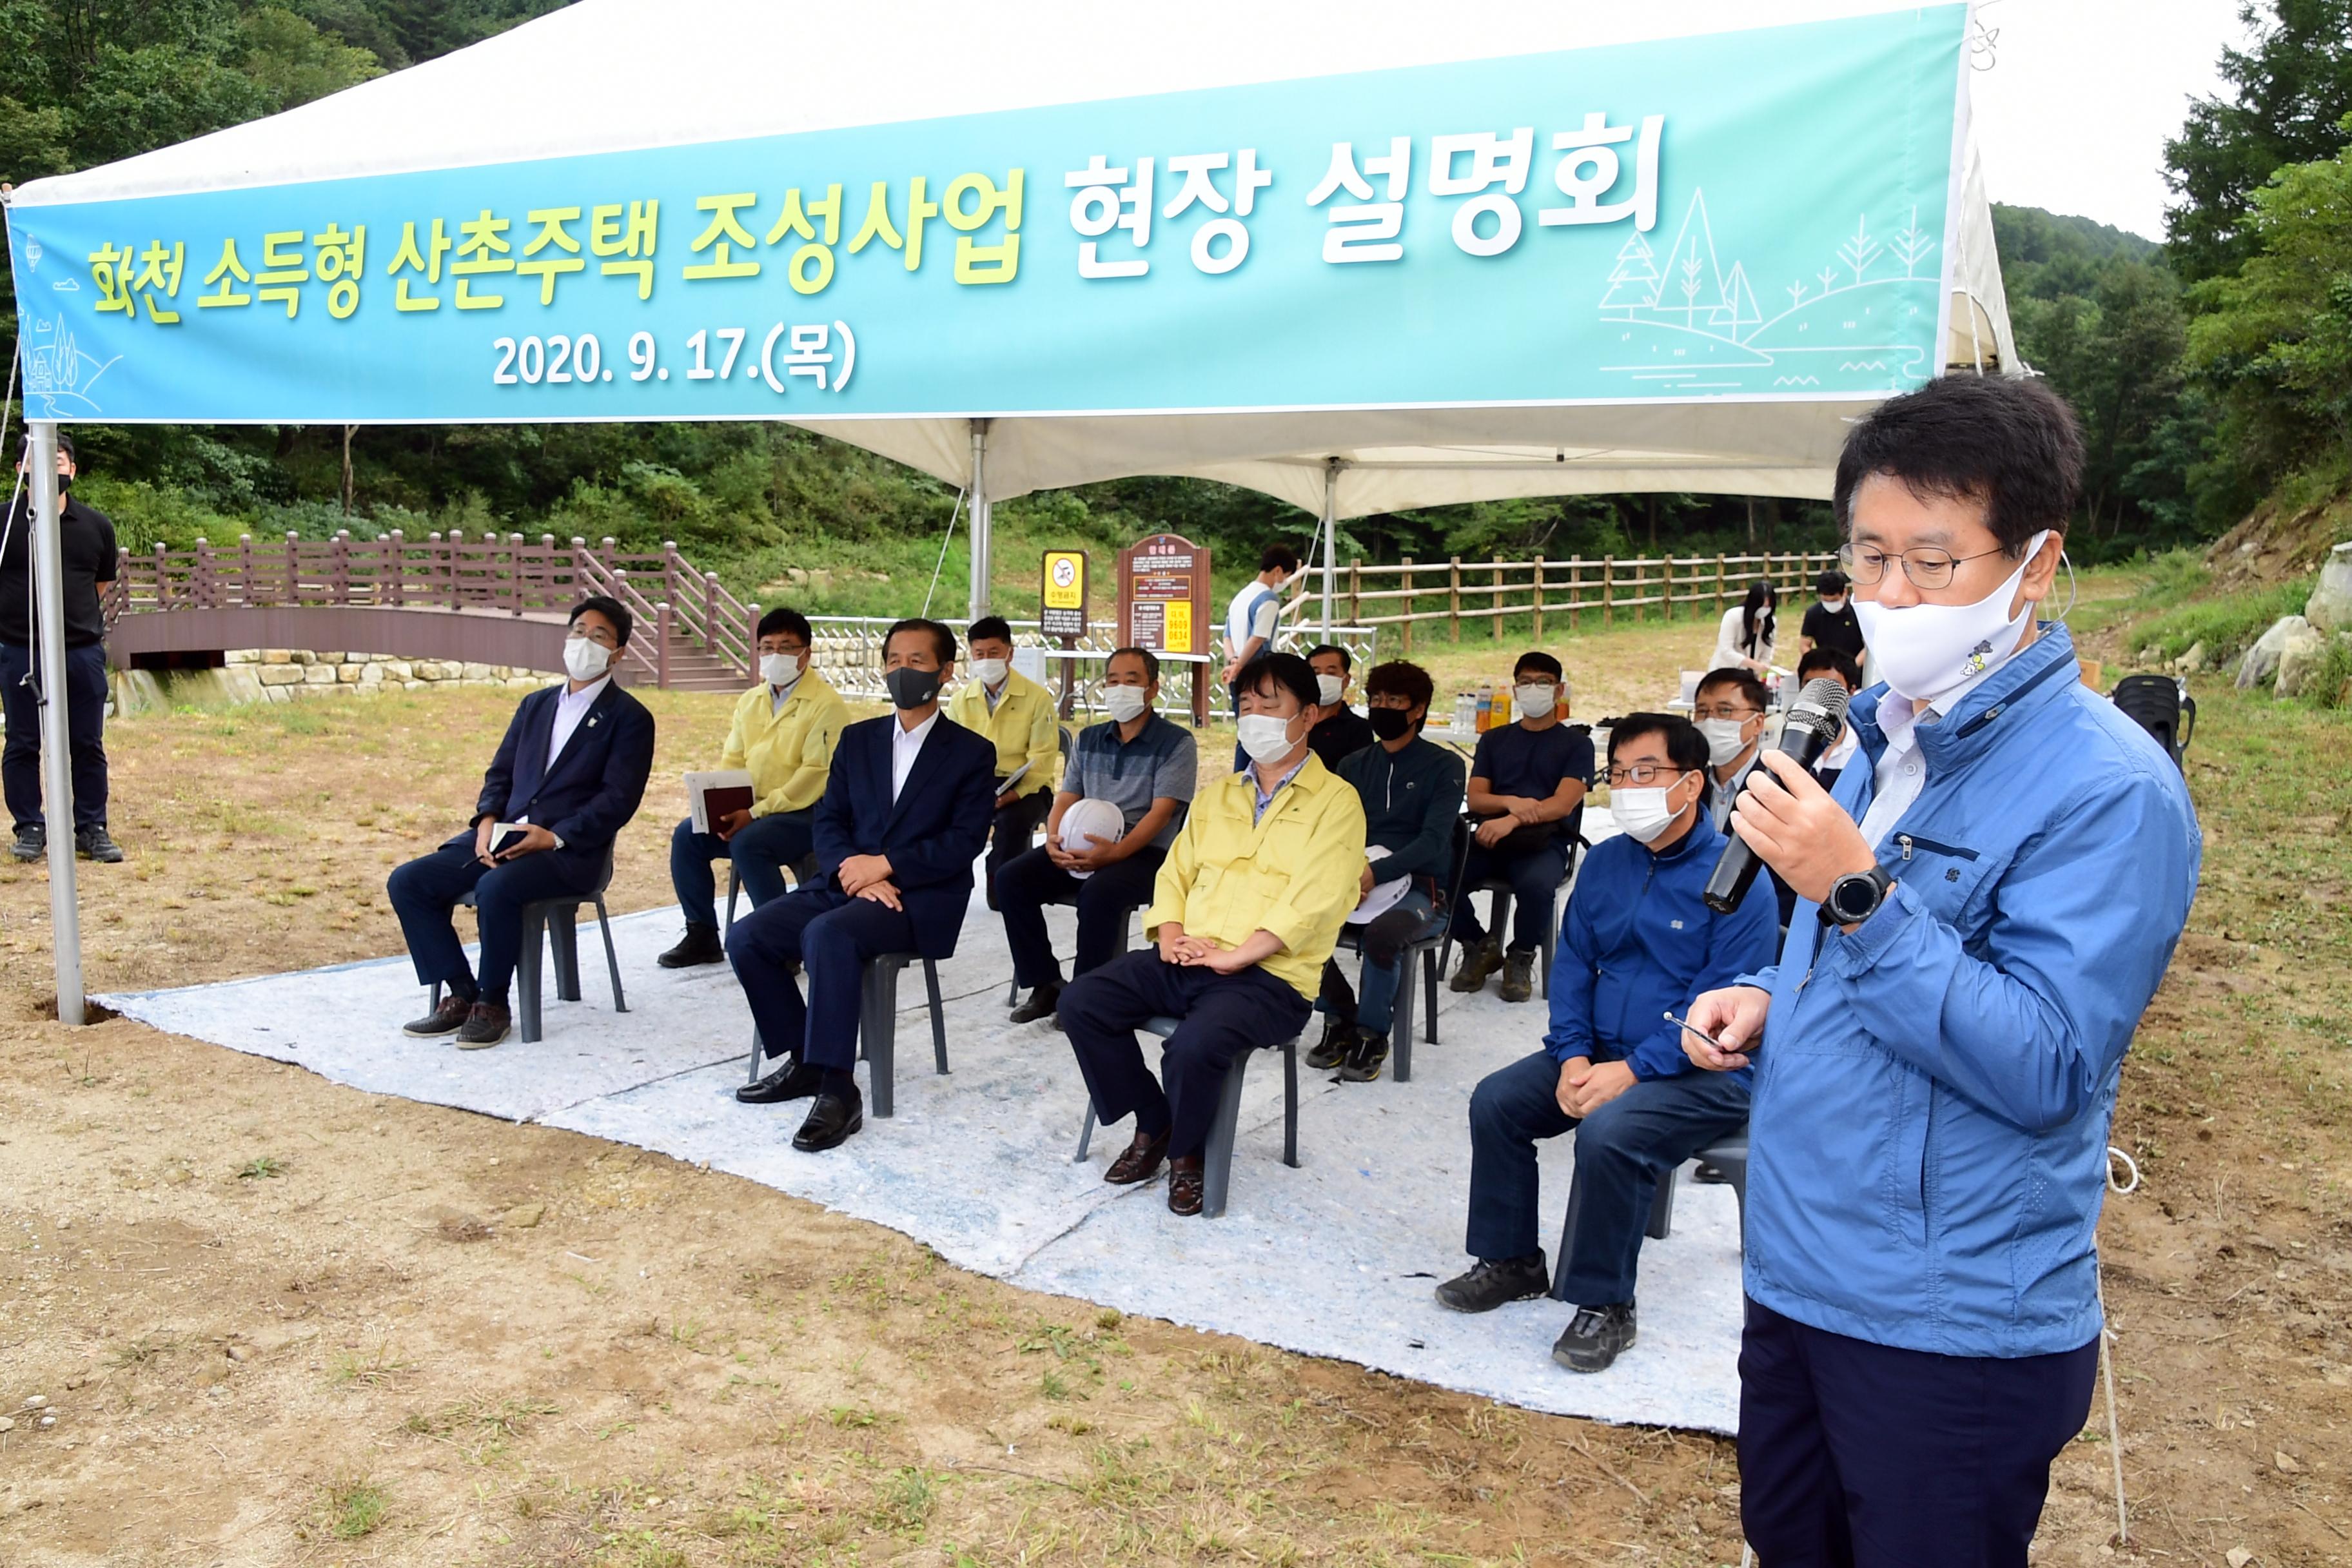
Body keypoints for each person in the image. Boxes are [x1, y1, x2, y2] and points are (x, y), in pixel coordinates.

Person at [1676, 374, 2199, 1565]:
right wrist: (1771, 995)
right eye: (1867, 560)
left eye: (1932, 560)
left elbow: (2045, 1063)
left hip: (1947, 1319)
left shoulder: (2107, 790)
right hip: (1801, 1271)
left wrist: (1853, 893)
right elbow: (1860, 960)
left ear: (2035, 563)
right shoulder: (1875, 739)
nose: (1890, 596)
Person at [1436, 713, 1776, 1373]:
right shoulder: (1608, 862)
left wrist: (1633, 1070)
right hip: (1601, 1050)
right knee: (1497, 1101)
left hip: (1706, 1068)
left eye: (1644, 772)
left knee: (1609, 1133)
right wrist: (1573, 1055)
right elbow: (1572, 967)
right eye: (1617, 774)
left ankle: (1606, 1303)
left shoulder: (1739, 878)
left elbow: (1722, 1002)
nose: (1627, 788)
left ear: (1691, 784)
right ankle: (1512, 1260)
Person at [1059, 652, 1365, 1216]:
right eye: (1246, 706)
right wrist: (1171, 935)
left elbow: (1318, 899)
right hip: (1189, 956)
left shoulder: (1338, 803)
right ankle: (1158, 1123)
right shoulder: (1219, 796)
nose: (1255, 719)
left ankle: (1188, 1155)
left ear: (1310, 717)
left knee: (1195, 1046)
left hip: (1270, 977)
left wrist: (1238, 956)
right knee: (1082, 1002)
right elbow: (1174, 873)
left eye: (1271, 706)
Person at [729, 618, 997, 1151]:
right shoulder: (858, 740)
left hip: (921, 897)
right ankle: (805, 1058)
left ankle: (838, 1089)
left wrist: (887, 866)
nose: (903, 671)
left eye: (917, 662)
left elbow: (964, 841)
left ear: (946, 672)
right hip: (848, 882)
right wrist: (853, 869)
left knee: (830, 936)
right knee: (749, 937)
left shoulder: (970, 753)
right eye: (894, 660)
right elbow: (828, 820)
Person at [390, 596, 656, 1048]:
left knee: (497, 888)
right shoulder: (535, 705)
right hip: (504, 836)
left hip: (570, 853)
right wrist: (487, 822)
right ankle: (461, 992)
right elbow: (501, 774)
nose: (584, 642)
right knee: (409, 882)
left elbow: (618, 801)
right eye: (578, 631)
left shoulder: (629, 718)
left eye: (599, 636)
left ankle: (494, 1003)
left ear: (619, 652)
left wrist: (554, 837)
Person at [997, 647, 1197, 1024]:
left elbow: (1162, 813)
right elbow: (1068, 796)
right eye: (1113, 680)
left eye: (1132, 680)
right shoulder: (1088, 739)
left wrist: (1116, 853)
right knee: (1011, 879)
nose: (1120, 688)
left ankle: (1087, 995)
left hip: (1146, 854)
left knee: (1101, 893)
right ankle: (1046, 985)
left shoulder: (1177, 743)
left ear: (1153, 689)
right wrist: (1054, 840)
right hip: (1082, 844)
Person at [658, 607, 848, 968]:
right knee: (689, 834)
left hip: (807, 814)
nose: (777, 656)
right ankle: (701, 934)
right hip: (753, 810)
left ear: (806, 653)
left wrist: (755, 814)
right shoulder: (751, 700)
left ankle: (783, 943)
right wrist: (720, 806)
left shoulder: (826, 705)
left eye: (787, 647)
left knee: (751, 842)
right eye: (768, 647)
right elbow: (734, 759)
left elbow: (814, 774)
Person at [1309, 660, 1464, 1083]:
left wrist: (1376, 873)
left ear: (1418, 710)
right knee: (1298, 918)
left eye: (1394, 701)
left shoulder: (1444, 766)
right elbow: (1334, 830)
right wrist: (1346, 874)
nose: (1382, 708)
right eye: (1376, 699)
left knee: (1384, 935)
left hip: (1422, 887)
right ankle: (1339, 1013)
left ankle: (1372, 1033)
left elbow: (1434, 842)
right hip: (1355, 876)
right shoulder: (1354, 765)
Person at [3, 432, 122, 863]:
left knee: (87, 741)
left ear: (72, 469)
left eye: (59, 460)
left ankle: (91, 827)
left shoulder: (96, 526)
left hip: (81, 650)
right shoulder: (3, 521)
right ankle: (30, 826)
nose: (52, 468)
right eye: (39, 460)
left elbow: (100, 583)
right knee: (21, 741)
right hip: (20, 650)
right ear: (20, 471)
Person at [1447, 652, 1591, 1004]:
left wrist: (1513, 819)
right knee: (1438, 873)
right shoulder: (1494, 740)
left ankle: (1521, 955)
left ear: (1559, 691)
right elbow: (1477, 798)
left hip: (1545, 842)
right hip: (1490, 836)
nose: (1534, 689)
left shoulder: (1576, 744)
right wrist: (1511, 804)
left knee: (1538, 885)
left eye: (1543, 682)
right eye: (1526, 682)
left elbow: (1562, 804)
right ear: (1514, 689)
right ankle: (1479, 946)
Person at [946, 615, 1061, 910]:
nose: (987, 660)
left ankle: (1003, 889)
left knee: (1012, 822)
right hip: (977, 784)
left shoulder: (1037, 699)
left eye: (994, 653)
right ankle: (943, 886)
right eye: (979, 654)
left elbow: (1042, 759)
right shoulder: (961, 701)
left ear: (1010, 653)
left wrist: (1011, 795)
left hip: (1026, 785)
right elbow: (950, 754)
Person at [1770, 646, 1866, 932]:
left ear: (1851, 692)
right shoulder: (1786, 750)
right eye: (1811, 688)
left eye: (1832, 690)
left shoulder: (1865, 757)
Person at [1692, 667, 1769, 830]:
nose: (1711, 720)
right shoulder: (1690, 785)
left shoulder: (1776, 786)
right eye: (1702, 711)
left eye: (1725, 711)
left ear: (1758, 723)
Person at [1218, 545, 1298, 692]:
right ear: (1278, 571)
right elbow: (1258, 638)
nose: (1284, 582)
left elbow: (1227, 637)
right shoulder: (1268, 599)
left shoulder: (1241, 596)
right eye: (1286, 577)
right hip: (1259, 675)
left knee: (1242, 713)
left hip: (1236, 673)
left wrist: (1233, 661)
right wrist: (1239, 666)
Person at [1304, 643, 1376, 768]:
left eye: (1331, 673)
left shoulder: (1358, 730)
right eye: (1316, 673)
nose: (1323, 679)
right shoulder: (1294, 720)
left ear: (1346, 680)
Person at [1709, 580, 1778, 676]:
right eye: (1762, 605)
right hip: (1726, 672)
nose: (1765, 609)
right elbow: (1726, 650)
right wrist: (1753, 664)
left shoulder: (1770, 622)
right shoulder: (1733, 616)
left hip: (1752, 677)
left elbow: (1767, 653)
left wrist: (1763, 665)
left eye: (1768, 606)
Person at [1799, 568, 1866, 661]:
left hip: (1855, 665)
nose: (1830, 604)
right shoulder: (1813, 613)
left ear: (1845, 592)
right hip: (1826, 666)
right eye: (1825, 600)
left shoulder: (1858, 611)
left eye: (1834, 600)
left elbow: (1868, 647)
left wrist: (1854, 666)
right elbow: (1805, 644)